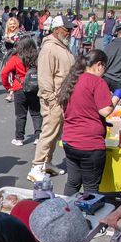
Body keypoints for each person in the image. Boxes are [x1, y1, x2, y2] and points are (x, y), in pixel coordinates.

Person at [58, 49, 120, 195]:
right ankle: (89, 217)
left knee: (73, 183)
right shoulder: (97, 82)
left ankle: (66, 212)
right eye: (104, 68)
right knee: (91, 188)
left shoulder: (71, 79)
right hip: (90, 145)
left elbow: (64, 110)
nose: (104, 72)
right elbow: (105, 111)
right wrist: (117, 96)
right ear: (99, 64)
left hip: (70, 141)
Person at [27, 15, 74, 183]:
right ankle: (37, 166)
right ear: (56, 29)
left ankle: (46, 162)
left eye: (70, 29)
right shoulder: (49, 48)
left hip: (62, 98)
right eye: (66, 29)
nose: (69, 32)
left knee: (55, 133)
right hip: (53, 99)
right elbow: (45, 76)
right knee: (49, 132)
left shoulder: (61, 45)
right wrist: (51, 99)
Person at [2, 37, 42, 147]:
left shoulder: (15, 58)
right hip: (34, 87)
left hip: (19, 87)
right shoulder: (37, 57)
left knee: (20, 115)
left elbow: (4, 72)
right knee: (36, 113)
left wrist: (8, 86)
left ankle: (19, 138)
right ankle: (38, 136)